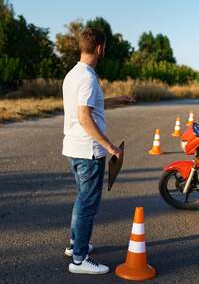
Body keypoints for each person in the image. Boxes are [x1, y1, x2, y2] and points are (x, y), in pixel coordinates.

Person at [62, 27, 132, 274]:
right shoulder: (88, 78)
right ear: (100, 48)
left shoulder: (74, 74)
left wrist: (116, 100)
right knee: (88, 204)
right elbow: (84, 116)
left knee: (82, 199)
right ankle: (79, 260)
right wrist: (110, 146)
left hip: (73, 148)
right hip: (88, 151)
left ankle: (75, 245)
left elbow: (89, 105)